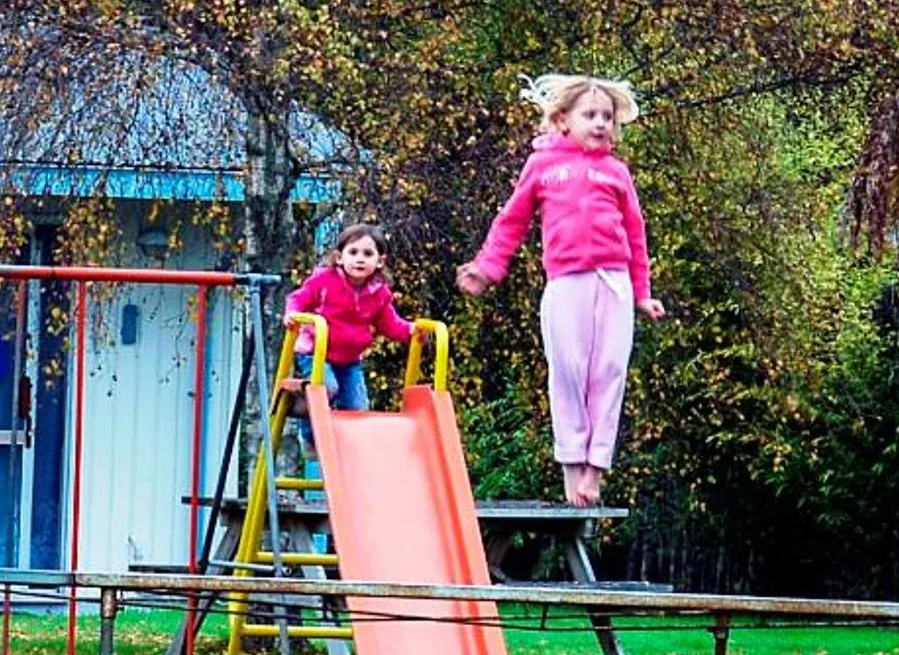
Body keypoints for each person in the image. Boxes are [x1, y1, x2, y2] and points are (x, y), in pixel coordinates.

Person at [455, 75, 665, 506]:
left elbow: (636, 234)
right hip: (566, 282)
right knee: (569, 370)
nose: (601, 123)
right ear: (563, 119)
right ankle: (572, 468)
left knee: (609, 371)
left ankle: (596, 468)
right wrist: (487, 268)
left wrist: (643, 293)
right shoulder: (543, 166)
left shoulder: (616, 172)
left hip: (614, 281)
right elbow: (511, 222)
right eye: (590, 115)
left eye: (607, 117)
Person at [283, 222, 414, 423]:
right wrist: (292, 314)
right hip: (316, 353)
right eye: (353, 252)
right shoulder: (324, 280)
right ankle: (309, 435)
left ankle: (343, 448)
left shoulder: (379, 292)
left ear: (380, 261)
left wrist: (410, 331)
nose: (360, 259)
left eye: (368, 254)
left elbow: (389, 323)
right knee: (327, 389)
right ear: (340, 257)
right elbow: (299, 298)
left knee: (358, 407)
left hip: (349, 359)